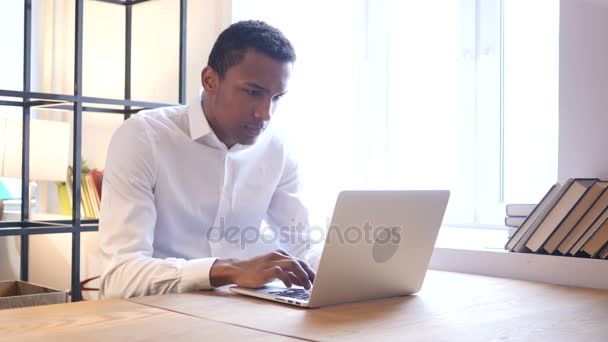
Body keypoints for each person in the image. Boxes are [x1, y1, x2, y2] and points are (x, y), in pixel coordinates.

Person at [99, 20, 321, 299]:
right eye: (253, 92)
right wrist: (226, 270)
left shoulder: (278, 147)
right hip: (157, 315)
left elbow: (303, 244)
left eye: (276, 97)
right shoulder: (143, 137)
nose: (265, 113)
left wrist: (346, 268)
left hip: (241, 314)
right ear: (210, 80)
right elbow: (120, 276)